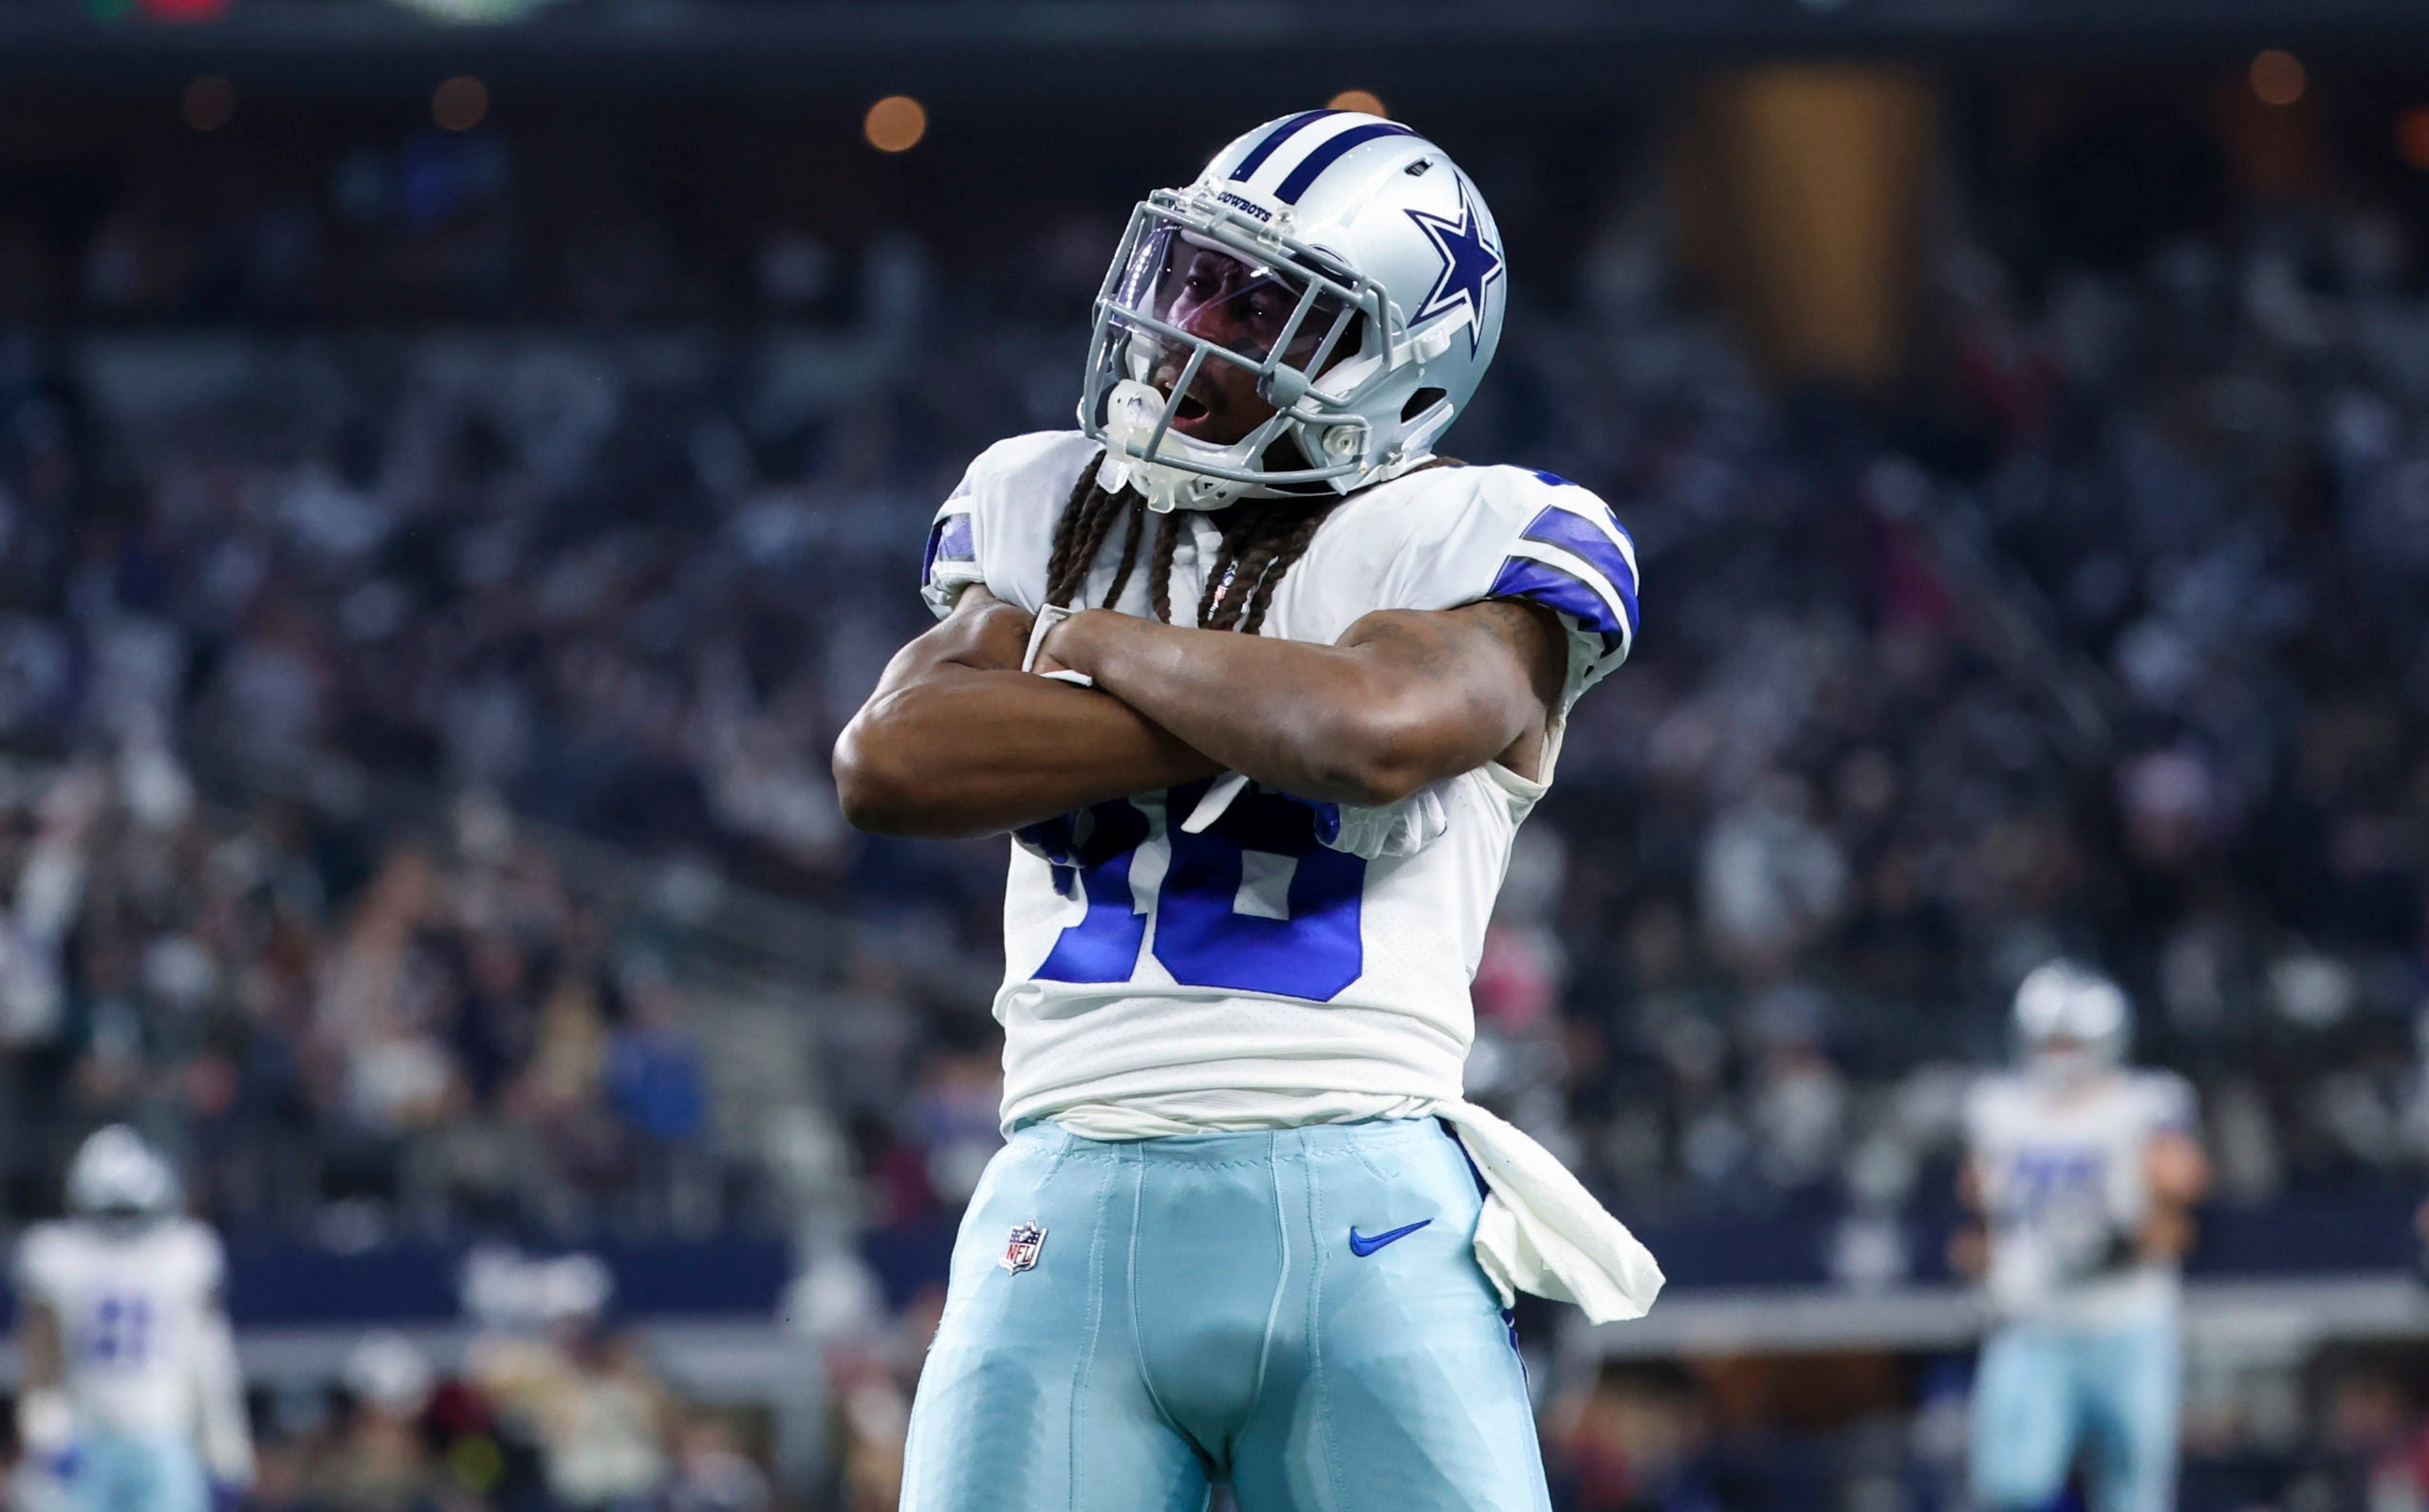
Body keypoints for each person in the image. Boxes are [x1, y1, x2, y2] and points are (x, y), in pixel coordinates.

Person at [835, 108, 1661, 1509]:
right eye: (1189, 279)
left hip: (1363, 1208)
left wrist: (1087, 643)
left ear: (1397, 368)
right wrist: (1247, 705)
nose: (1187, 332)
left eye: (1260, 307)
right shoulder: (1042, 498)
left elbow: (1369, 731)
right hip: (1061, 1198)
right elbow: (891, 763)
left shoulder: (1478, 532)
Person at [1956, 961, 2210, 1512]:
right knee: (2010, 1486)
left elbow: (2182, 1200)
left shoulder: (2144, 1104)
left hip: (2128, 1320)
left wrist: (2123, 1243)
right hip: (2034, 1322)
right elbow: (1976, 1213)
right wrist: (1987, 1262)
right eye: (2049, 1042)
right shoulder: (1999, 1108)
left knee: (2135, 1492)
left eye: (2071, 1043)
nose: (2059, 1056)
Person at [11, 1126, 255, 1512]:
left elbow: (208, 1360)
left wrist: (225, 1454)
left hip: (161, 1434)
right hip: (86, 1433)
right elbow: (41, 1358)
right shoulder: (56, 1256)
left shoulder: (186, 1254)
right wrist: (48, 1433)